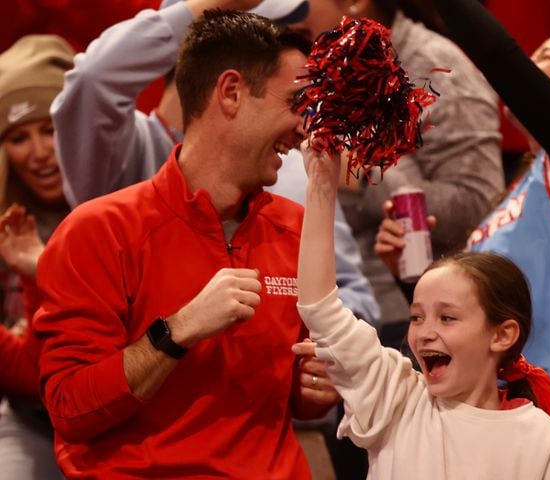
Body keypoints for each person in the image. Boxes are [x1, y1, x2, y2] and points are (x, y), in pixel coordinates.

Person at [33, 10, 339, 478]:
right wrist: (176, 331)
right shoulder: (97, 231)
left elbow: (298, 393)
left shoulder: (300, 229)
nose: (305, 126)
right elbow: (70, 409)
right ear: (232, 92)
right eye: (296, 102)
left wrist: (312, 389)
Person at [375, 1, 550, 477]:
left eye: (545, 59)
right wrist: (410, 278)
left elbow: (500, 57)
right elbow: (482, 316)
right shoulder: (521, 193)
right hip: (505, 415)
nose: (527, 65)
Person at [50, 0, 379, 326]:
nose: (291, 47)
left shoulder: (292, 167)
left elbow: (353, 297)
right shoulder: (124, 156)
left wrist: (301, 340)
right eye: (270, 31)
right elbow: (92, 79)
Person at [292, 139, 550, 479]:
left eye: (447, 318)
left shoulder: (542, 440)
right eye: (416, 317)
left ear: (502, 335)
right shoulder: (395, 397)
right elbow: (321, 308)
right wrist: (321, 186)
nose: (425, 333)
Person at [279, 0, 503, 350]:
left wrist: (363, 175)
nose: (288, 11)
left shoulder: (436, 66)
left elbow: (481, 203)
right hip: (321, 307)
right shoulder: (315, 65)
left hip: (406, 322)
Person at [0, 33, 77, 480]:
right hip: (30, 422)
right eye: (18, 137)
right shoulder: (6, 223)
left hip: (120, 422)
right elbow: (28, 373)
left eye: (49, 129)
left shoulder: (114, 203)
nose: (40, 153)